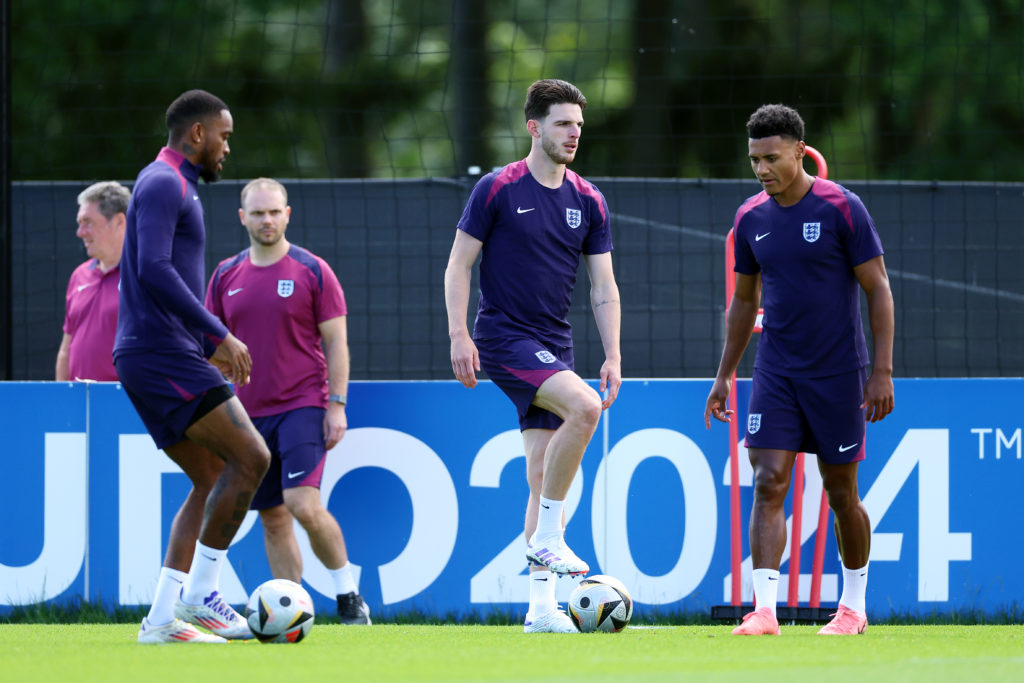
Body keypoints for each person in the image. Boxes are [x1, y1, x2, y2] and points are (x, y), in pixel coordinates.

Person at [704, 103, 895, 636]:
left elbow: (878, 289)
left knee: (841, 493)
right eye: (753, 161)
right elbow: (743, 303)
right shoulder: (751, 218)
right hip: (776, 373)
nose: (762, 169)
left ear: (798, 151)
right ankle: (765, 609)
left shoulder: (842, 208)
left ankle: (852, 608)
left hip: (839, 374)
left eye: (771, 158)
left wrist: (881, 371)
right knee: (769, 482)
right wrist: (725, 375)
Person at [444, 79, 622, 634]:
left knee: (543, 473)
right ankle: (550, 538)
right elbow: (458, 266)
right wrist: (458, 335)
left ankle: (541, 611)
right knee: (586, 409)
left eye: (578, 125)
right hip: (503, 337)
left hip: (555, 342)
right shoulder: (498, 188)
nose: (573, 134)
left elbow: (603, 287)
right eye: (563, 124)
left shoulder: (588, 199)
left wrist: (613, 352)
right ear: (535, 127)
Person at [114, 89, 272, 644]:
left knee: (210, 477)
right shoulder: (163, 182)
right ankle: (202, 594)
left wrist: (203, 343)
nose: (228, 147)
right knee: (252, 456)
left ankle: (160, 622)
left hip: (159, 350)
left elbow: (159, 273)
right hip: (158, 352)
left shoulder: (170, 184)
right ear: (198, 134)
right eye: (224, 136)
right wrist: (218, 333)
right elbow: (153, 269)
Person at [205, 177, 371, 625]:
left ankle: (349, 596)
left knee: (303, 504)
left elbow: (337, 343)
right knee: (273, 518)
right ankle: (294, 612)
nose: (267, 219)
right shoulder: (224, 275)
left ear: (287, 214)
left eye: (274, 211)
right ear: (243, 217)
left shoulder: (312, 270)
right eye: (258, 212)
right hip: (246, 414)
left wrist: (337, 404)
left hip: (303, 405)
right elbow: (210, 347)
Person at [55, 181, 131, 381]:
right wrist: (63, 400)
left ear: (119, 222)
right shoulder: (79, 275)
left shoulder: (144, 276)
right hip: (78, 404)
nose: (80, 232)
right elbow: (66, 349)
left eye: (88, 222)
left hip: (124, 403)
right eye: (79, 223)